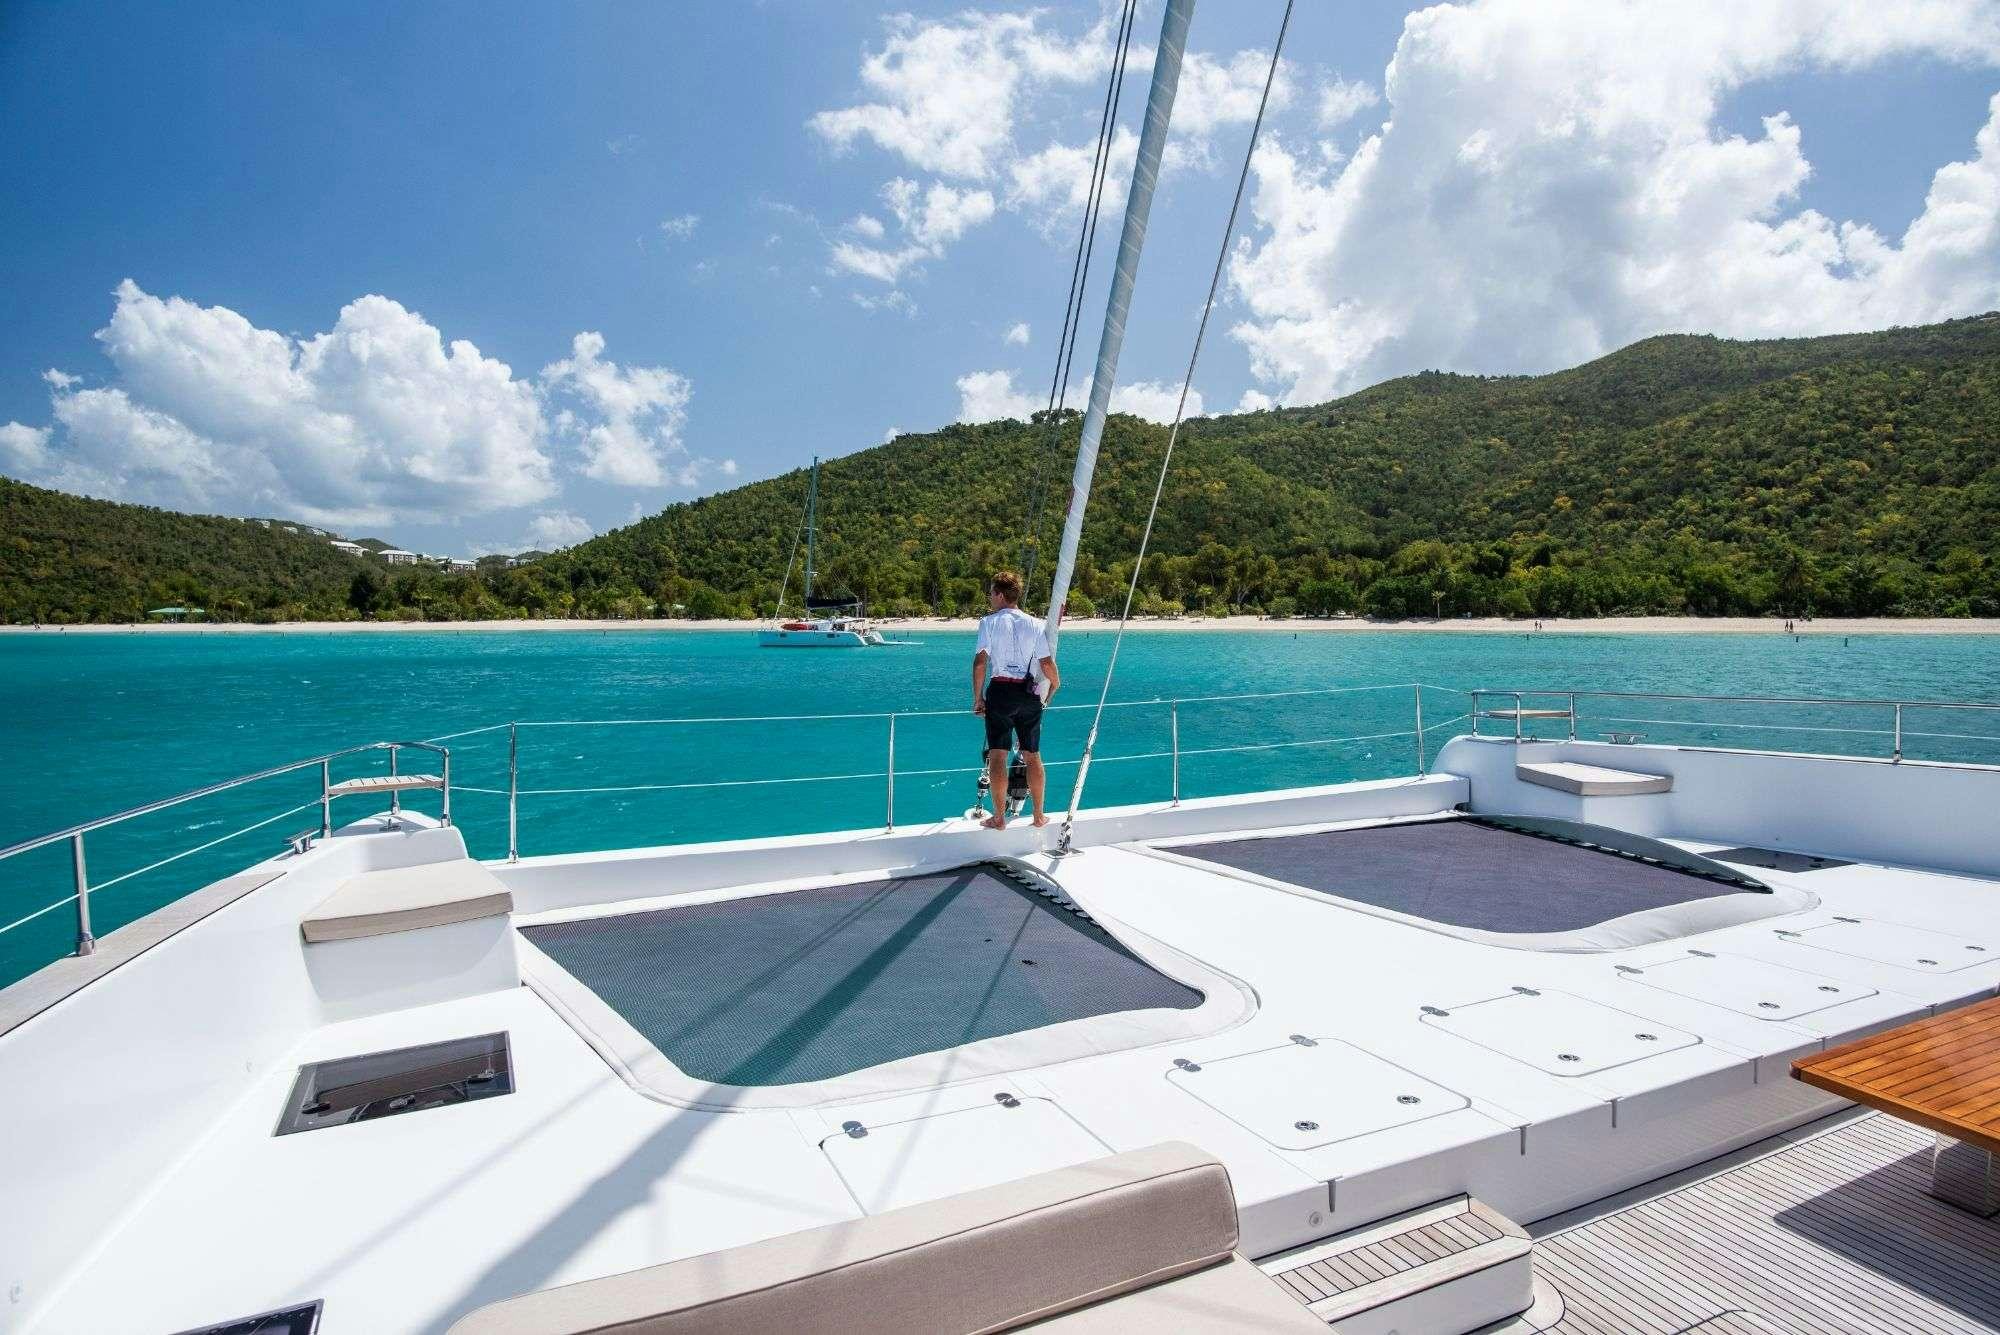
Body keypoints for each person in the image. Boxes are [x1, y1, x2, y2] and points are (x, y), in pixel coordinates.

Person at [972, 570, 1061, 828]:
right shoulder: (1035, 624)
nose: (990, 598)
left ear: (1000, 595)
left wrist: (978, 698)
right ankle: (1038, 816)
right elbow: (1046, 663)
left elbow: (980, 662)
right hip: (1027, 693)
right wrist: (1056, 683)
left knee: (998, 755)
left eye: (991, 593)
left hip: (1000, 692)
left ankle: (999, 817)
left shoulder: (988, 622)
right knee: (1033, 755)